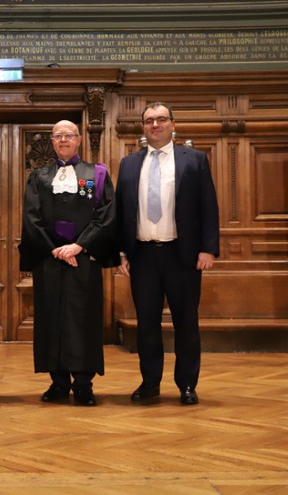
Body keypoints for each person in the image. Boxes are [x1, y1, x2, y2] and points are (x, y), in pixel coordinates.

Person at [115, 102, 220, 406]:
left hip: (182, 255)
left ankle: (187, 384)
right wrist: (122, 252)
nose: (155, 125)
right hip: (143, 256)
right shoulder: (130, 164)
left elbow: (208, 206)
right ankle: (150, 383)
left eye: (161, 120)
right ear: (143, 128)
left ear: (173, 124)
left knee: (186, 322)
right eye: (149, 121)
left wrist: (207, 248)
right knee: (146, 324)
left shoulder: (194, 160)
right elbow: (123, 212)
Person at [18, 120, 119, 407]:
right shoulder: (39, 176)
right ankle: (58, 382)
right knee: (51, 319)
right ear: (52, 141)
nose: (63, 140)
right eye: (58, 136)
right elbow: (31, 217)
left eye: (69, 135)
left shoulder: (95, 174)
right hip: (50, 261)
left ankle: (84, 385)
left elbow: (105, 215)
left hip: (83, 259)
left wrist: (78, 245)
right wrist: (56, 250)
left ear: (79, 139)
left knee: (83, 320)